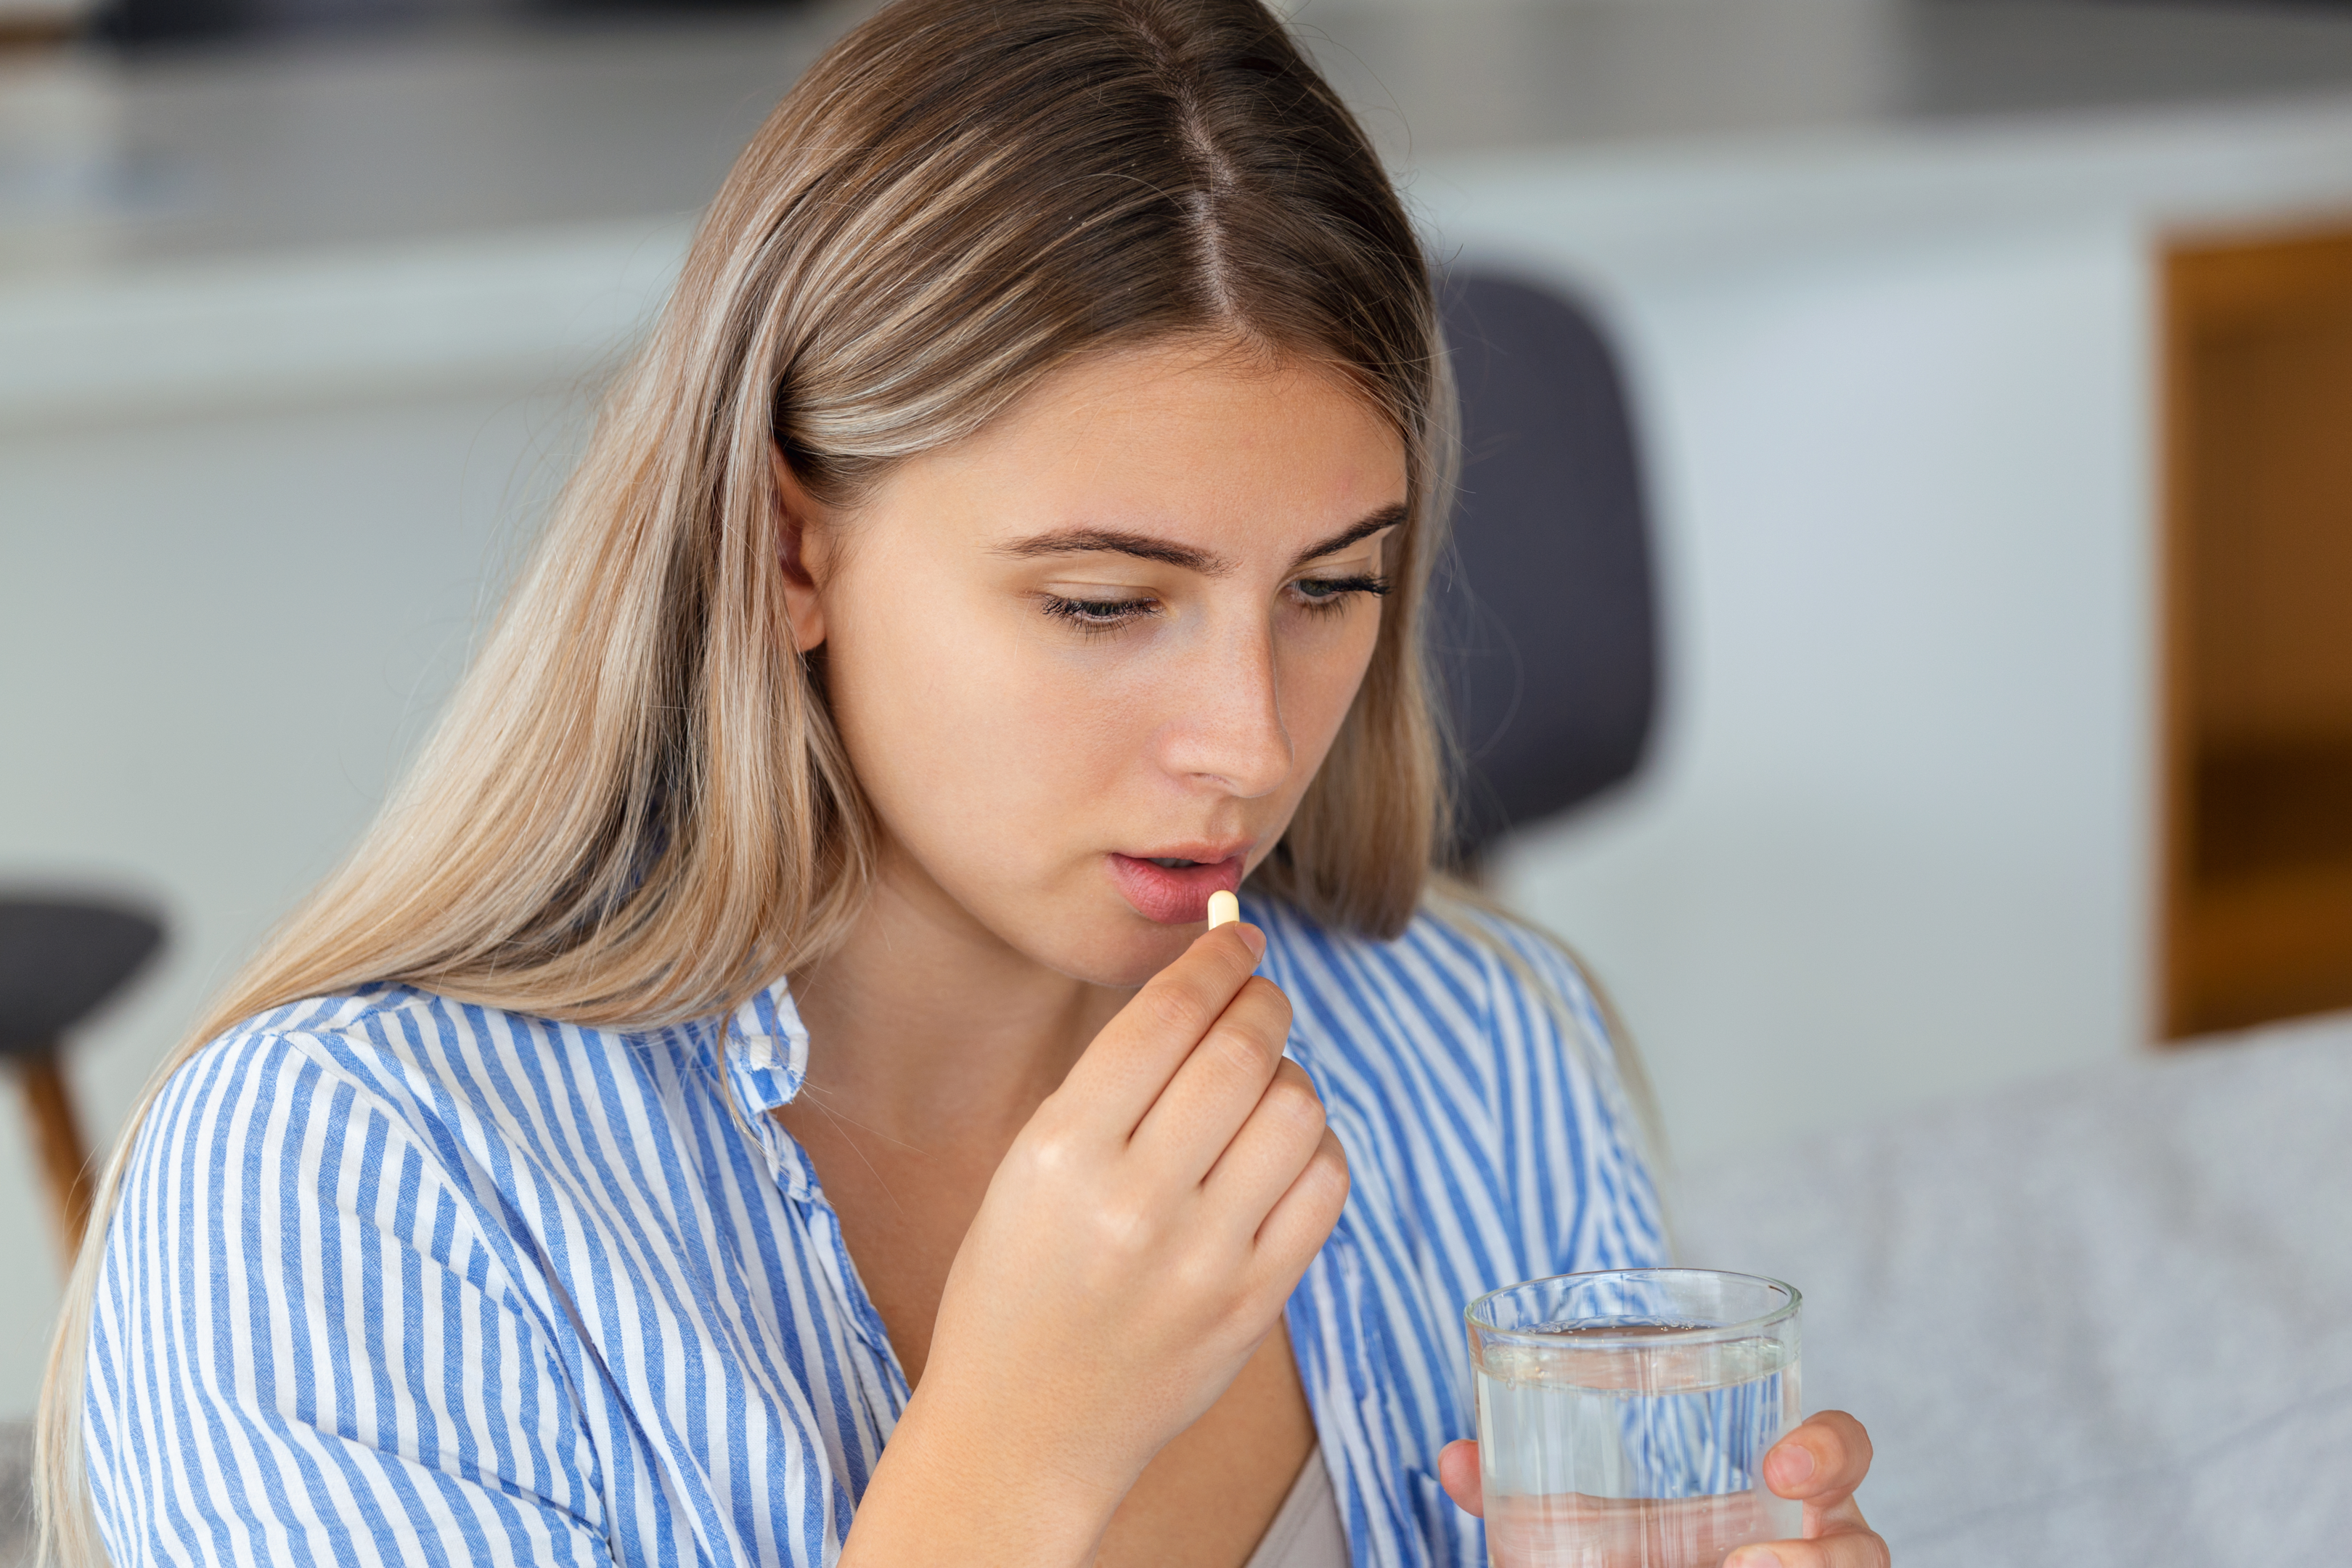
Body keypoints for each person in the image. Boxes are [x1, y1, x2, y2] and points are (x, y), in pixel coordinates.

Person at [38, 1, 1888, 1564]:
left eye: (1330, 588)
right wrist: (1017, 1454)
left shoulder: (1474, 1048)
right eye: (1103, 601)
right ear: (787, 551)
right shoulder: (366, 1180)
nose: (1248, 741)